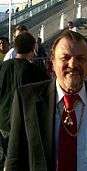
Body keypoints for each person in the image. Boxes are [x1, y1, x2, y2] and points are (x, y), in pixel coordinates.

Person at [4, 30, 87, 171]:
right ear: (52, 62)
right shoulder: (26, 98)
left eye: (81, 58)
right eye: (65, 58)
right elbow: (14, 159)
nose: (73, 64)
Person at [0, 32, 49, 171]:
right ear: (33, 47)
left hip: (3, 122)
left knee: (5, 159)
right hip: (25, 124)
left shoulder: (3, 67)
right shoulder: (35, 71)